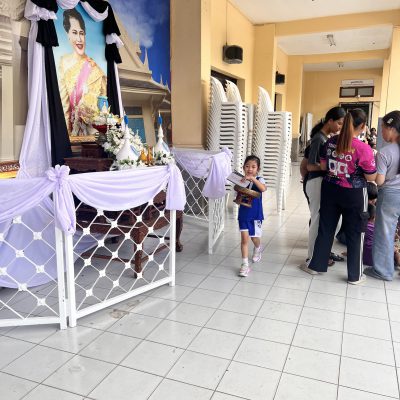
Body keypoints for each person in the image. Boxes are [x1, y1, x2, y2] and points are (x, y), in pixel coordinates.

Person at [300, 109, 377, 284]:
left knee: (325, 228)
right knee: (355, 232)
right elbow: (371, 177)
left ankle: (315, 266)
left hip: (330, 189)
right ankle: (355, 276)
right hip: (353, 193)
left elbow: (324, 166)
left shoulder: (330, 142)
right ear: (362, 126)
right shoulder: (363, 148)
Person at [299, 107, 346, 269]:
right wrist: (331, 167)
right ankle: (312, 258)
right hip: (316, 182)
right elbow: (310, 166)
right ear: (330, 121)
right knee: (317, 221)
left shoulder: (326, 138)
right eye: (339, 123)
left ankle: (322, 252)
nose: (340, 127)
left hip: (320, 182)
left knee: (326, 220)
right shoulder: (319, 138)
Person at [58, 8, 107, 136]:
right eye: (74, 33)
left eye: (82, 33)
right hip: (73, 131)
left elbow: (103, 108)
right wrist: (67, 136)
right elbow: (64, 105)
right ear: (68, 35)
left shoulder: (96, 70)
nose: (79, 38)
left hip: (93, 131)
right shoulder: (63, 62)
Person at [364, 111, 400, 281]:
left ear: (392, 128)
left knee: (385, 232)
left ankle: (383, 271)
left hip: (391, 195)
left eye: (383, 127)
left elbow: (379, 180)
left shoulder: (385, 152)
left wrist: (368, 172)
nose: (382, 131)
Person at [238, 155, 267, 277]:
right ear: (243, 167)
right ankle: (244, 264)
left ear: (258, 169)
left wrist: (253, 179)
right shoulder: (242, 180)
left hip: (255, 215)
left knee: (254, 238)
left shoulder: (260, 179)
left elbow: (263, 189)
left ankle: (257, 248)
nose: (250, 169)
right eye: (247, 166)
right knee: (244, 240)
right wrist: (241, 185)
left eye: (253, 167)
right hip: (243, 215)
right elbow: (238, 196)